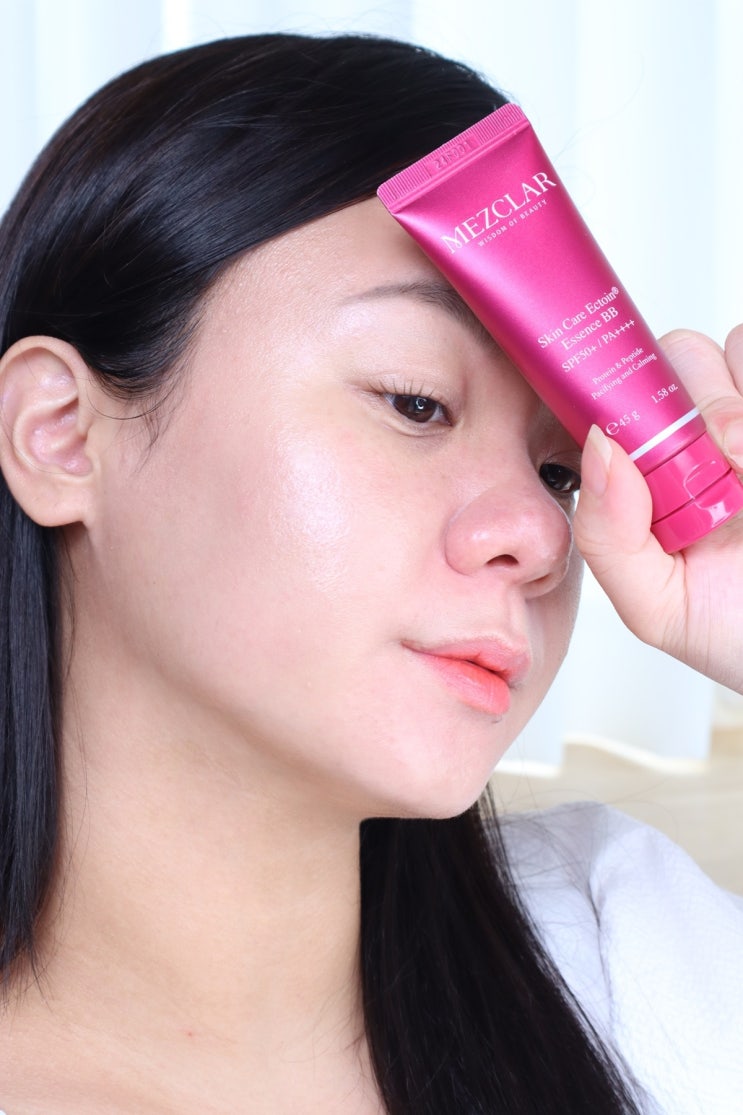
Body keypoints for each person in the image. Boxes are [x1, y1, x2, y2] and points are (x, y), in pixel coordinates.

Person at [0, 32, 740, 1115]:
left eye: (557, 472)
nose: (540, 537)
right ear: (63, 433)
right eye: (415, 402)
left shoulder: (636, 955)